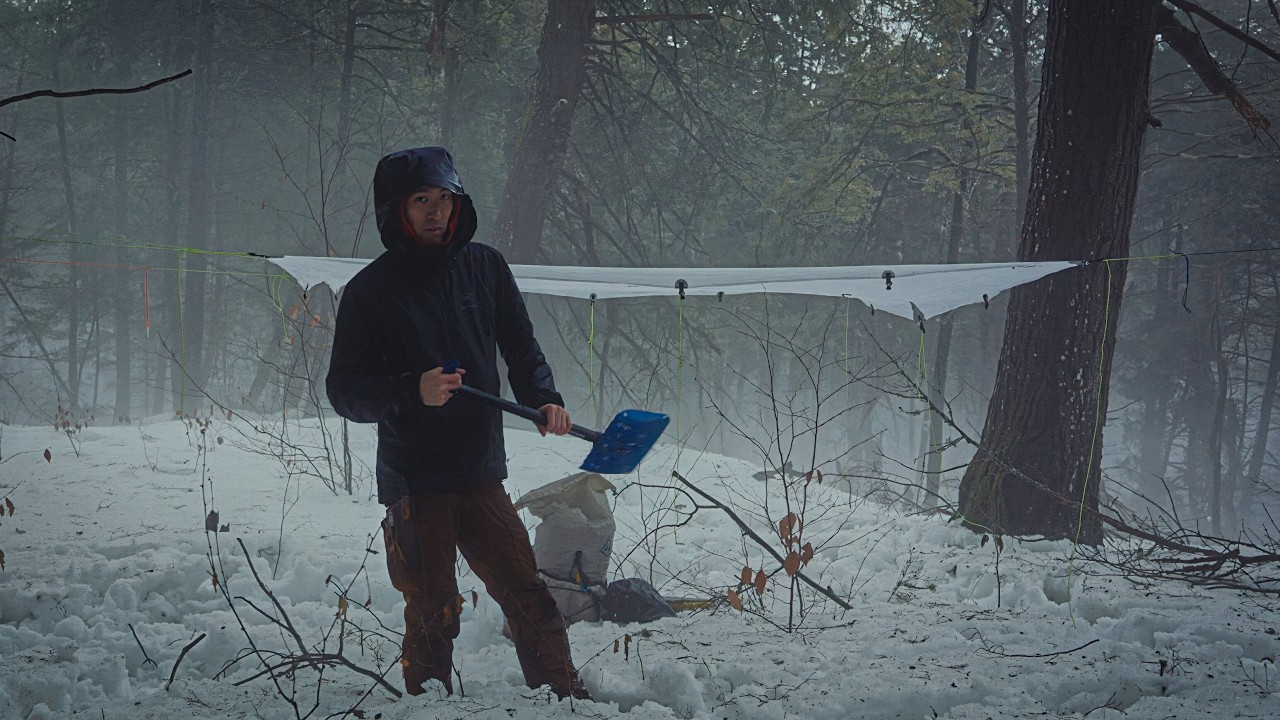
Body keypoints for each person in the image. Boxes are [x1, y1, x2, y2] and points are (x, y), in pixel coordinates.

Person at [326, 146, 588, 700]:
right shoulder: (370, 291)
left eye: (444, 199)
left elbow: (521, 346)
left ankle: (565, 699)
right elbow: (344, 390)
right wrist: (411, 391)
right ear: (396, 210)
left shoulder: (485, 267)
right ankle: (426, 705)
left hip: (480, 472)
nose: (435, 212)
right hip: (416, 480)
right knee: (432, 607)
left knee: (527, 592)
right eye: (422, 200)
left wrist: (545, 400)